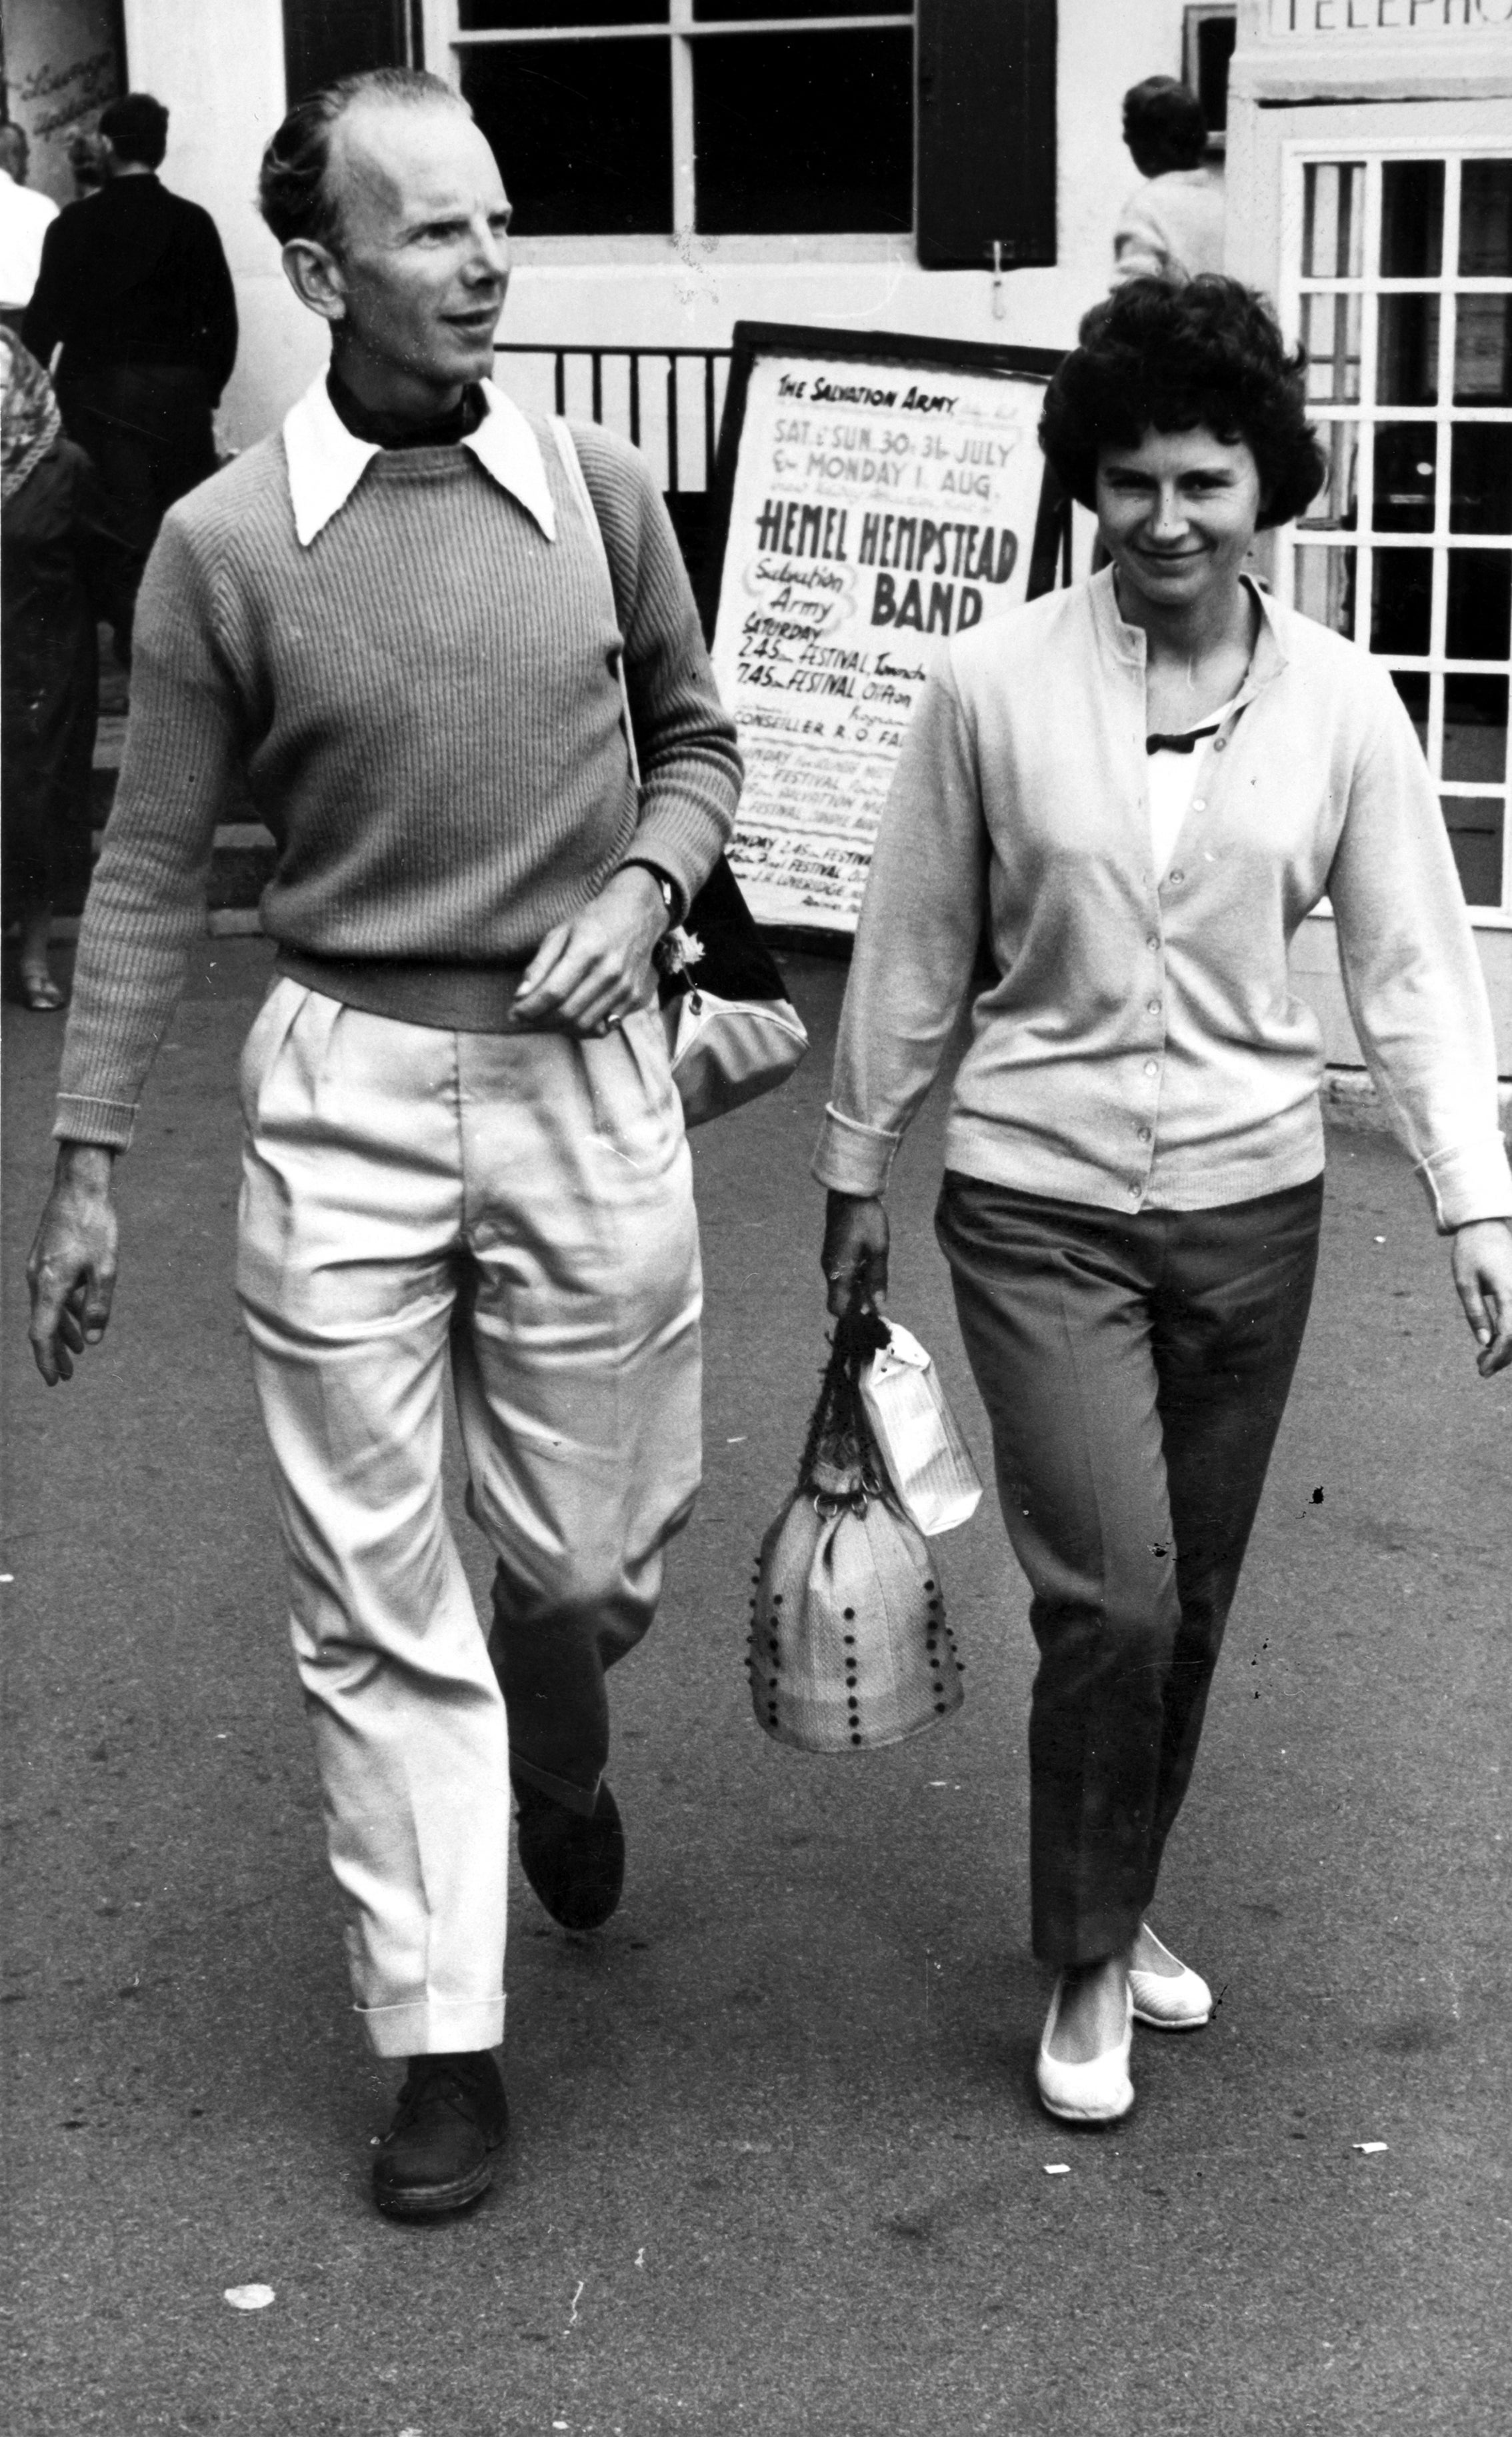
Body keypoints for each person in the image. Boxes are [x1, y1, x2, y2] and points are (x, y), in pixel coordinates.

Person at [27, 67, 741, 2218]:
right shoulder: (224, 547)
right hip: (341, 1089)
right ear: (324, 271)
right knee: (371, 1596)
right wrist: (83, 1164)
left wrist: (646, 891)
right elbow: (153, 865)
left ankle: (566, 1745)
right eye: (437, 231)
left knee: (593, 1566)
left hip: (584, 1078)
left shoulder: (604, 488)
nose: (490, 260)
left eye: (498, 219)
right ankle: (443, 2036)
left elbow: (697, 745)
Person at [815, 277, 1512, 2128]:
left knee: (1187, 1600)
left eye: (1204, 477)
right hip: (1032, 1193)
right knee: (1109, 1594)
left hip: (1250, 1205)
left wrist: (1471, 1199)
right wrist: (853, 1156)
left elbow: (1411, 964)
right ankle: (1078, 1957)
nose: (1167, 519)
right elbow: (910, 941)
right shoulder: (988, 683)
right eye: (1127, 480)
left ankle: (1118, 1905)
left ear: (1265, 479)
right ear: (1085, 486)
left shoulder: (1344, 698)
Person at [23, 93, 237, 625]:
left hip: (99, 394)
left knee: (116, 527)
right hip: (178, 396)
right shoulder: (193, 223)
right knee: (178, 521)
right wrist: (202, 390)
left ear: (109, 146)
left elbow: (43, 323)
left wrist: (37, 400)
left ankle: (130, 634)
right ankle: (176, 634)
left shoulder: (74, 226)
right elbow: (223, 321)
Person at [1, 333, 131, 1009]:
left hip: (41, 666)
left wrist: (139, 633)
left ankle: (32, 956)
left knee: (38, 809)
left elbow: (107, 559)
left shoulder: (62, 467)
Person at [1111, 77, 1224, 289]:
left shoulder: (1146, 207)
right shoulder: (1221, 201)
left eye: (1130, 128)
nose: (1125, 137)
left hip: (1171, 321)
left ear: (1148, 141)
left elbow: (1132, 299)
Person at [0, 123, 57, 334]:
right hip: (27, 328)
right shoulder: (43, 207)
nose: (27, 168)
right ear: (13, 157)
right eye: (25, 155)